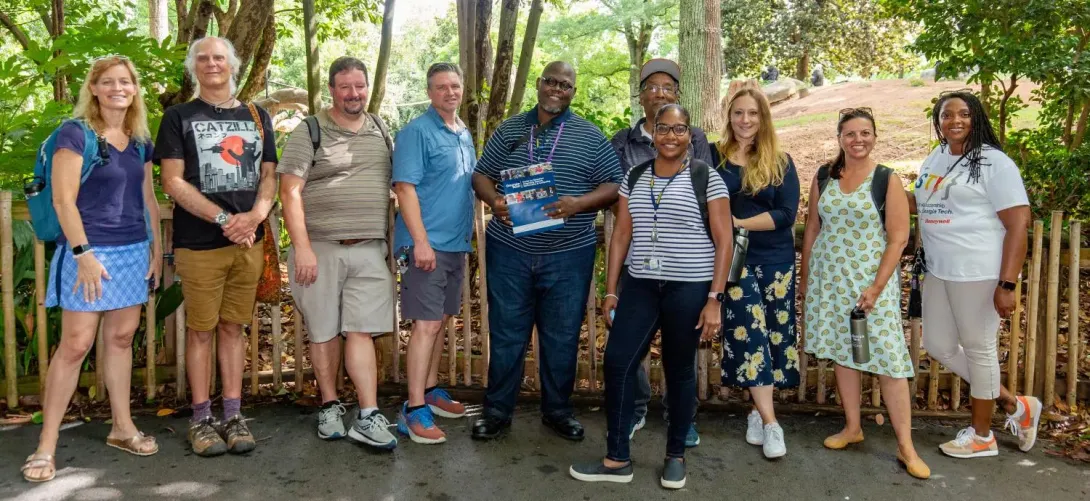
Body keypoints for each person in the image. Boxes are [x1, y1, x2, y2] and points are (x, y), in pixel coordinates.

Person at [569, 104, 731, 489]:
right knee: (618, 361)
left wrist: (714, 299)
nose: (671, 136)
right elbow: (622, 234)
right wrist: (611, 289)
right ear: (652, 132)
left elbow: (724, 241)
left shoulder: (706, 178)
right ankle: (616, 459)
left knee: (679, 368)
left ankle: (675, 455)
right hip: (641, 284)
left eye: (679, 129)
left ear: (690, 134)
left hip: (689, 286)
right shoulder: (635, 176)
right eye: (664, 129)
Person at [21, 56, 162, 483]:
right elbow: (64, 200)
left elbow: (148, 198)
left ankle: (122, 428)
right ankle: (45, 446)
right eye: (108, 82)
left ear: (135, 89)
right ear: (94, 89)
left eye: (125, 82)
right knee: (76, 346)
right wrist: (82, 254)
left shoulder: (138, 139)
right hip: (89, 252)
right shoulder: (75, 134)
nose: (118, 88)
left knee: (120, 338)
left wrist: (156, 249)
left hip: (132, 248)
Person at [470, 61, 622, 441]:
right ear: (539, 84)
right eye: (551, 82)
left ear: (573, 91)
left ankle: (557, 410)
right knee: (507, 335)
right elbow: (480, 175)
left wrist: (579, 203)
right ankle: (497, 411)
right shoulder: (510, 129)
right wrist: (494, 200)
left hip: (569, 254)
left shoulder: (590, 136)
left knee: (562, 336)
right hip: (510, 252)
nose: (557, 89)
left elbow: (614, 185)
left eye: (566, 85)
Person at [156, 36, 278, 458]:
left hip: (248, 243)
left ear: (234, 65)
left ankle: (233, 413)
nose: (212, 64)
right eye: (203, 58)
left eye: (219, 57)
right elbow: (171, 180)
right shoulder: (178, 116)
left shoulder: (257, 115)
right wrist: (226, 219)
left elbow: (269, 177)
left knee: (233, 328)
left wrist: (256, 217)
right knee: (202, 330)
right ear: (194, 67)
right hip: (200, 244)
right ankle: (201, 419)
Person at [800, 108, 930, 480]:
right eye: (850, 134)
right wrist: (807, 276)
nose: (858, 140)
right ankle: (852, 426)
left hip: (871, 284)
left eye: (865, 133)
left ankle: (905, 445)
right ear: (839, 137)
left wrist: (876, 287)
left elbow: (898, 238)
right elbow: (812, 226)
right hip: (831, 279)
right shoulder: (825, 175)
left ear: (875, 136)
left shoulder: (886, 179)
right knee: (844, 351)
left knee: (888, 359)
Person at [910, 90, 1040, 459]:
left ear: (976, 118)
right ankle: (1017, 406)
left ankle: (983, 436)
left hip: (979, 272)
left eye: (963, 114)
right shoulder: (935, 157)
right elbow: (926, 203)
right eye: (946, 115)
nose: (954, 121)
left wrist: (1007, 283)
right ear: (937, 121)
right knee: (938, 345)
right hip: (938, 269)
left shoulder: (994, 163)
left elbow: (1018, 225)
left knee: (980, 350)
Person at [278, 56, 398, 450]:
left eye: (359, 85)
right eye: (345, 86)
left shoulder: (381, 128)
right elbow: (290, 191)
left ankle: (368, 413)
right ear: (331, 89)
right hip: (321, 249)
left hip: (369, 248)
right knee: (325, 330)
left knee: (362, 329)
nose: (353, 93)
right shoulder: (309, 130)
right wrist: (303, 249)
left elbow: (400, 182)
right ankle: (329, 405)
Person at [609, 58, 711, 447]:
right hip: (637, 263)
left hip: (685, 264)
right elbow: (616, 195)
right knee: (627, 343)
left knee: (680, 349)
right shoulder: (622, 142)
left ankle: (680, 417)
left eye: (668, 86)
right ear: (641, 95)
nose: (660, 92)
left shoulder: (696, 137)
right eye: (652, 86)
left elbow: (706, 191)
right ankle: (633, 410)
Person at [711, 88, 800, 459]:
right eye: (738, 113)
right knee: (750, 335)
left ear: (764, 117)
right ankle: (771, 423)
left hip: (776, 260)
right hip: (734, 262)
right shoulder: (714, 158)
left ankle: (754, 411)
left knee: (775, 339)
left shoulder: (780, 161)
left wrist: (738, 221)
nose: (745, 120)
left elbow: (786, 215)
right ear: (728, 116)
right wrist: (727, 228)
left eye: (753, 113)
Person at [392, 63, 475, 444]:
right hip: (425, 244)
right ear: (430, 92)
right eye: (441, 87)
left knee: (439, 321)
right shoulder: (416, 132)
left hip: (454, 245)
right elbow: (405, 189)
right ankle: (413, 409)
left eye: (455, 86)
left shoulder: (463, 133)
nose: (449, 92)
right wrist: (420, 241)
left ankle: (429, 391)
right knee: (425, 326)